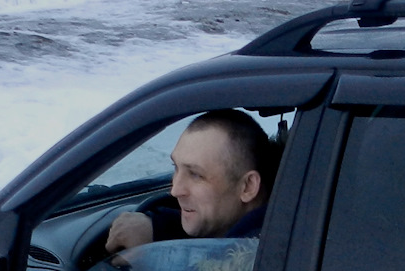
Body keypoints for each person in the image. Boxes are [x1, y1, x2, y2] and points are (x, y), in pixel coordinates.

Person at [104, 109, 278, 255]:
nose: (175, 190)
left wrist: (151, 262)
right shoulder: (283, 224)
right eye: (176, 167)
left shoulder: (257, 269)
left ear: (247, 187)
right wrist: (158, 229)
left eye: (195, 175)